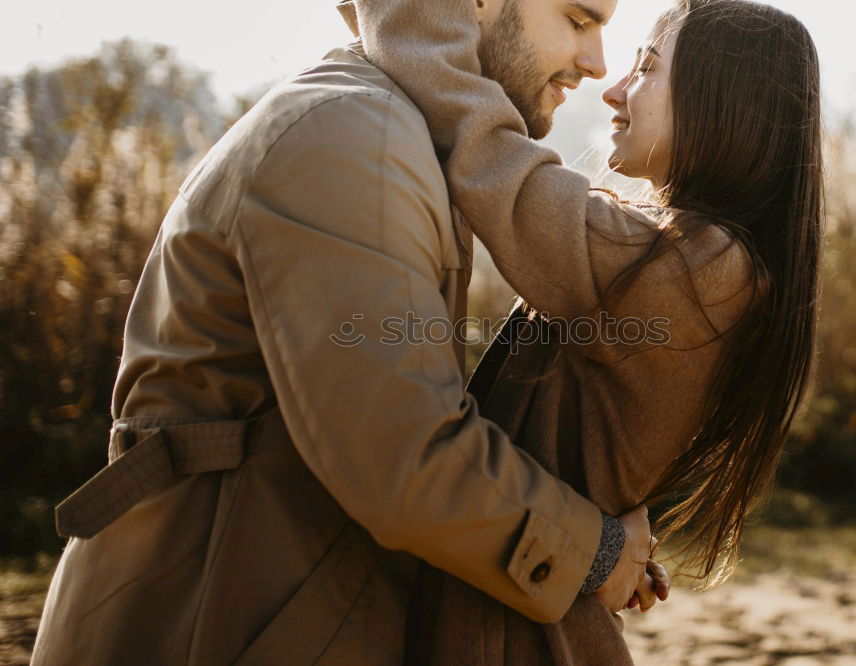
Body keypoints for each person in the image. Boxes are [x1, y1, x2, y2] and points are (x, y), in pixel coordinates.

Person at [28, 1, 663, 663]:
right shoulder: (355, 134)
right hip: (207, 621)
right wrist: (595, 555)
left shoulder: (393, 133)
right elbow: (403, 449)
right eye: (579, 19)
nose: (597, 64)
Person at [351, 0, 823, 663]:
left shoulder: (703, 270)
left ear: (723, 103)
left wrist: (412, 8)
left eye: (647, 67)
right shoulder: (699, 262)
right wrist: (604, 536)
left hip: (523, 639)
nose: (614, 87)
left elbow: (490, 159)